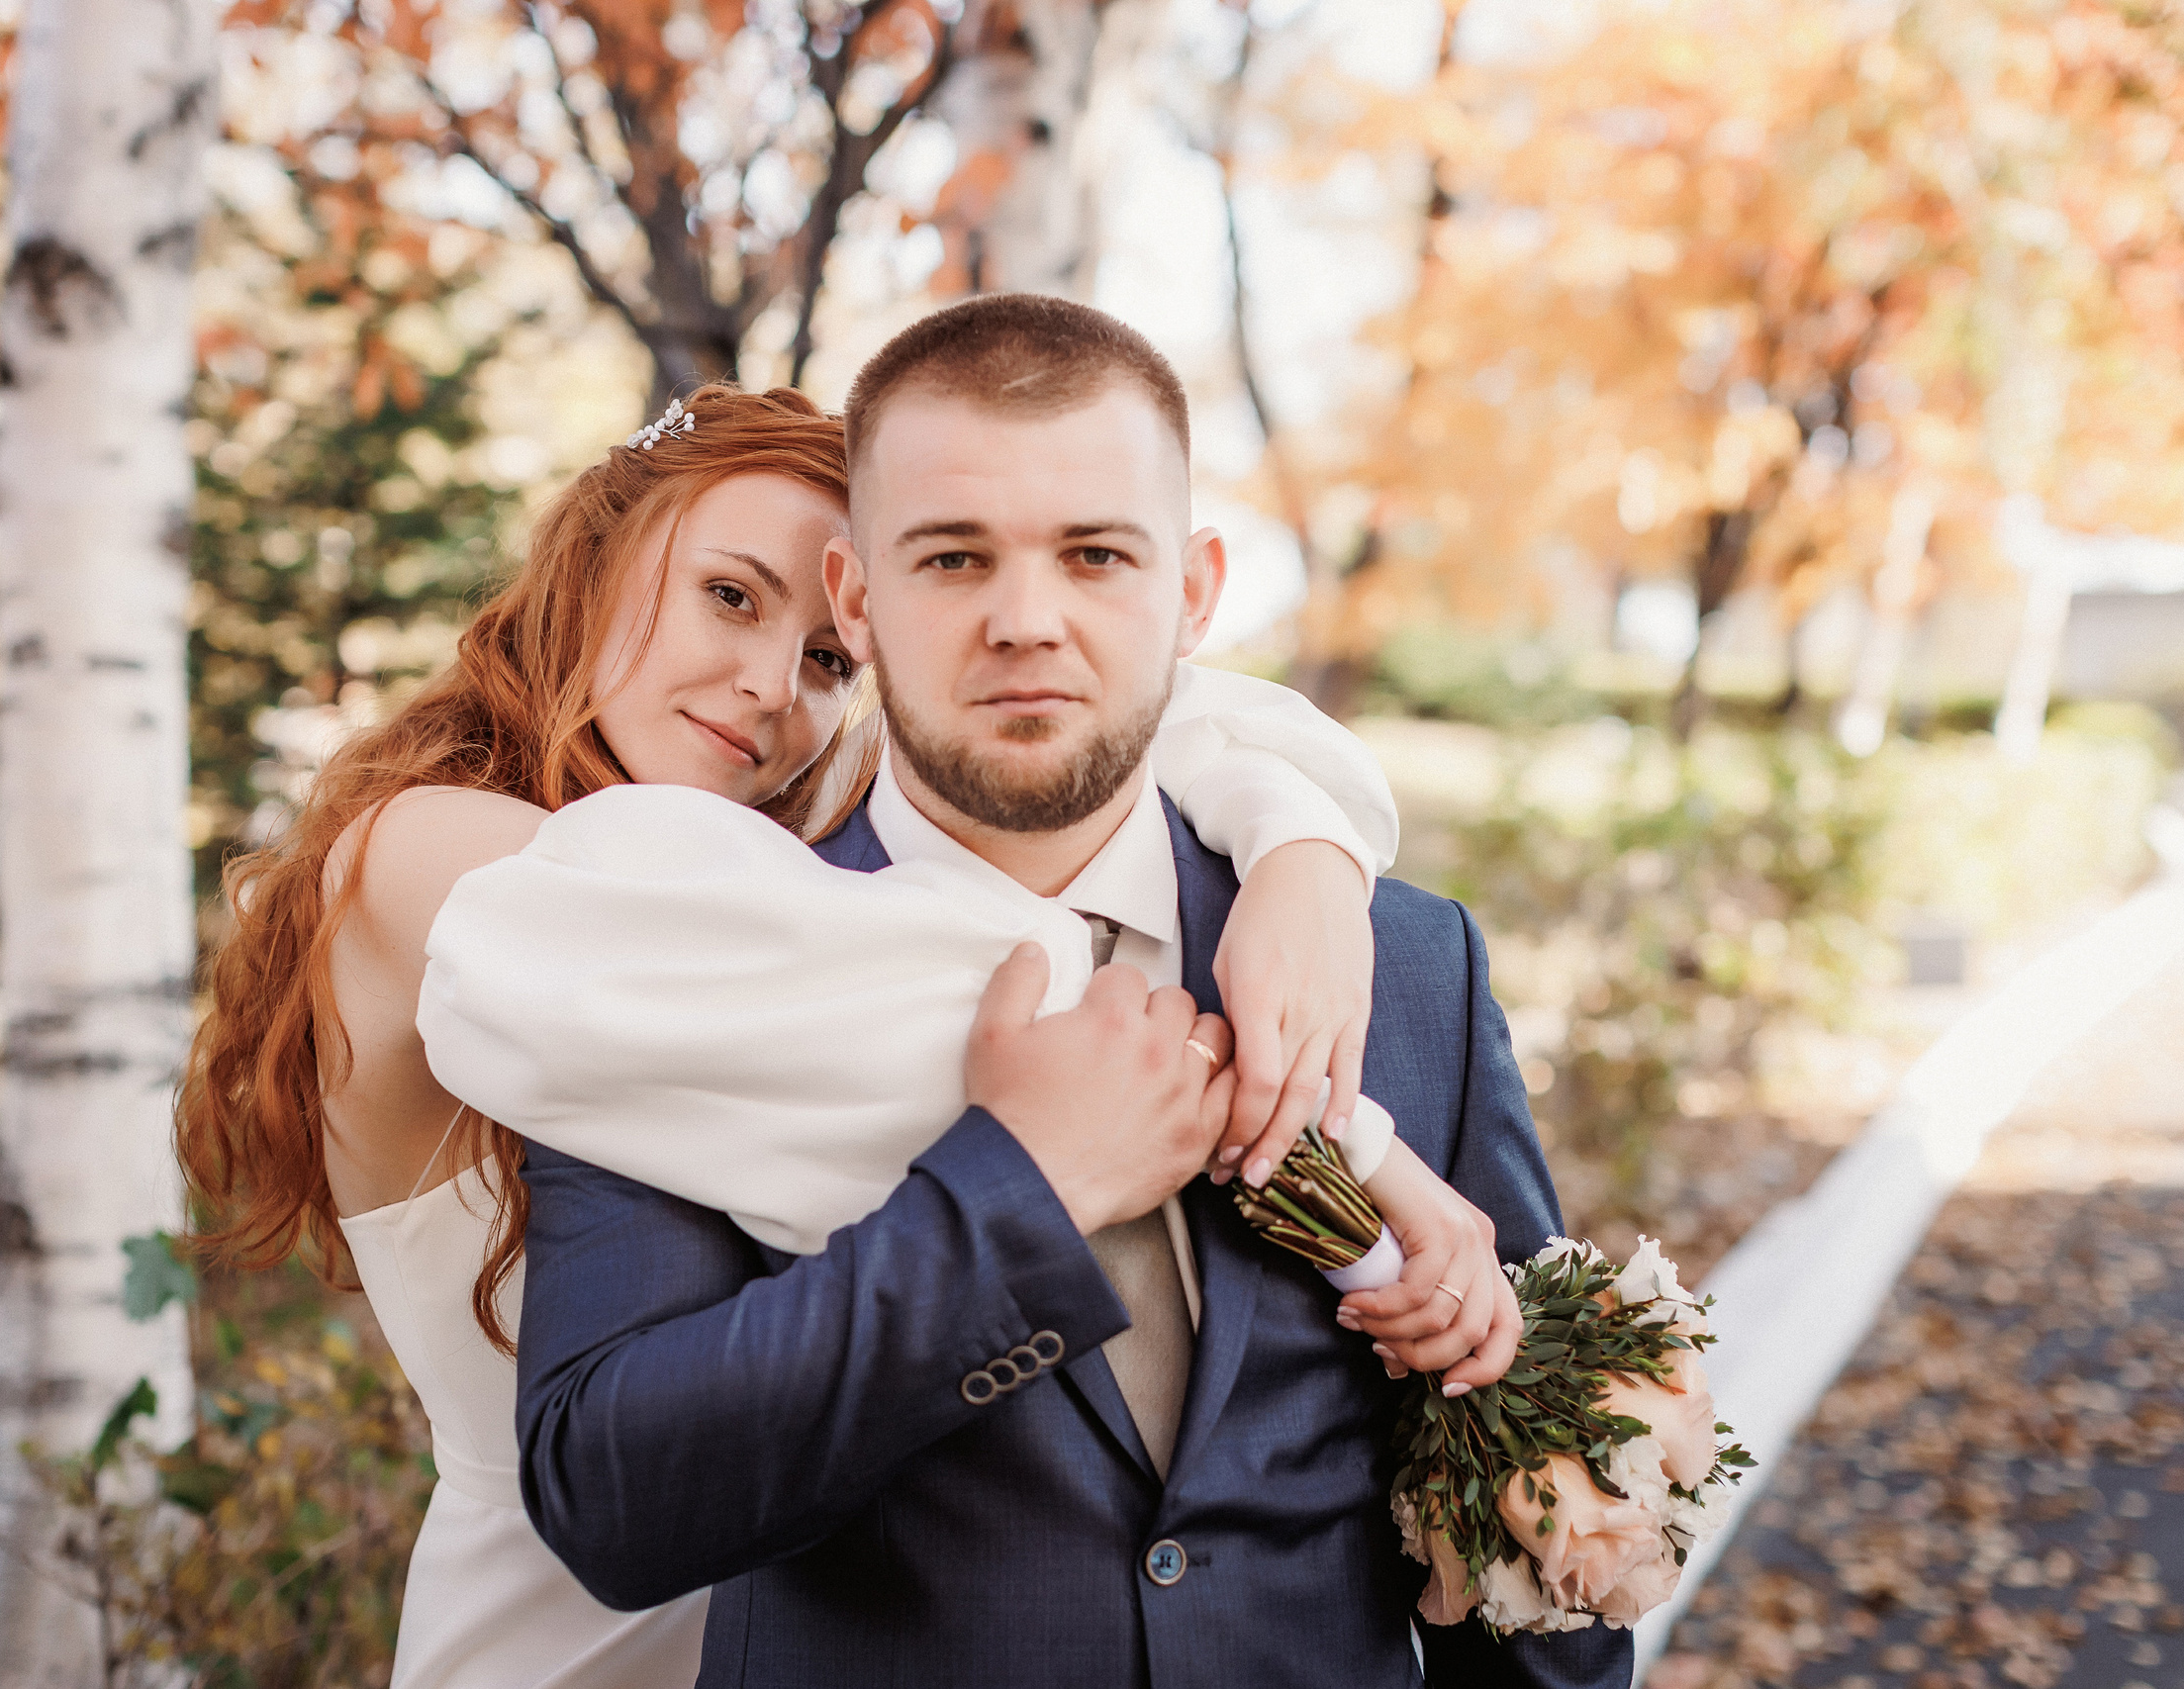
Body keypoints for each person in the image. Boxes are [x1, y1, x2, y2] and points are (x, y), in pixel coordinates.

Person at [176, 382, 1504, 1689]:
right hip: (573, 1636)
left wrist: (1302, 853)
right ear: (593, 563)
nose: (767, 689)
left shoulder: (771, 879)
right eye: (731, 596)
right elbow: (1001, 1008)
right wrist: (1361, 1147)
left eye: (827, 659)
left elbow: (1149, 715)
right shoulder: (437, 859)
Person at [502, 297, 1632, 1688]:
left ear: (1196, 593)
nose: (1024, 622)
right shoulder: (680, 963)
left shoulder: (1407, 967)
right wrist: (1016, 1194)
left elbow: (1525, 1487)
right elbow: (615, 1505)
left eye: (1095, 555)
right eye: (953, 558)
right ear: (858, 599)